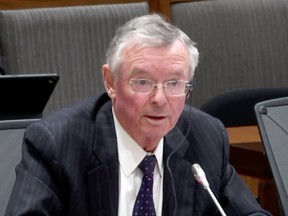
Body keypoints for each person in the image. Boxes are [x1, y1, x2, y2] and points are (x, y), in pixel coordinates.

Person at [5, 13, 271, 216]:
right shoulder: (57, 144)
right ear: (110, 81)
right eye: (142, 82)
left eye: (174, 83)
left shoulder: (207, 138)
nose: (159, 99)